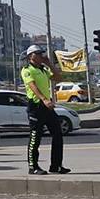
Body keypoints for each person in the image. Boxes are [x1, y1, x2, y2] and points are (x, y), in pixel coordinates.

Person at [21, 45, 69, 176]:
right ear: (31, 56)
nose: (42, 56)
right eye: (39, 54)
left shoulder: (43, 69)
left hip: (47, 107)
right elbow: (33, 86)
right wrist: (44, 99)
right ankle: (33, 166)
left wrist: (50, 65)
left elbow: (59, 78)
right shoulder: (27, 70)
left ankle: (56, 165)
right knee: (35, 137)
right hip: (36, 106)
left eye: (42, 53)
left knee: (57, 134)